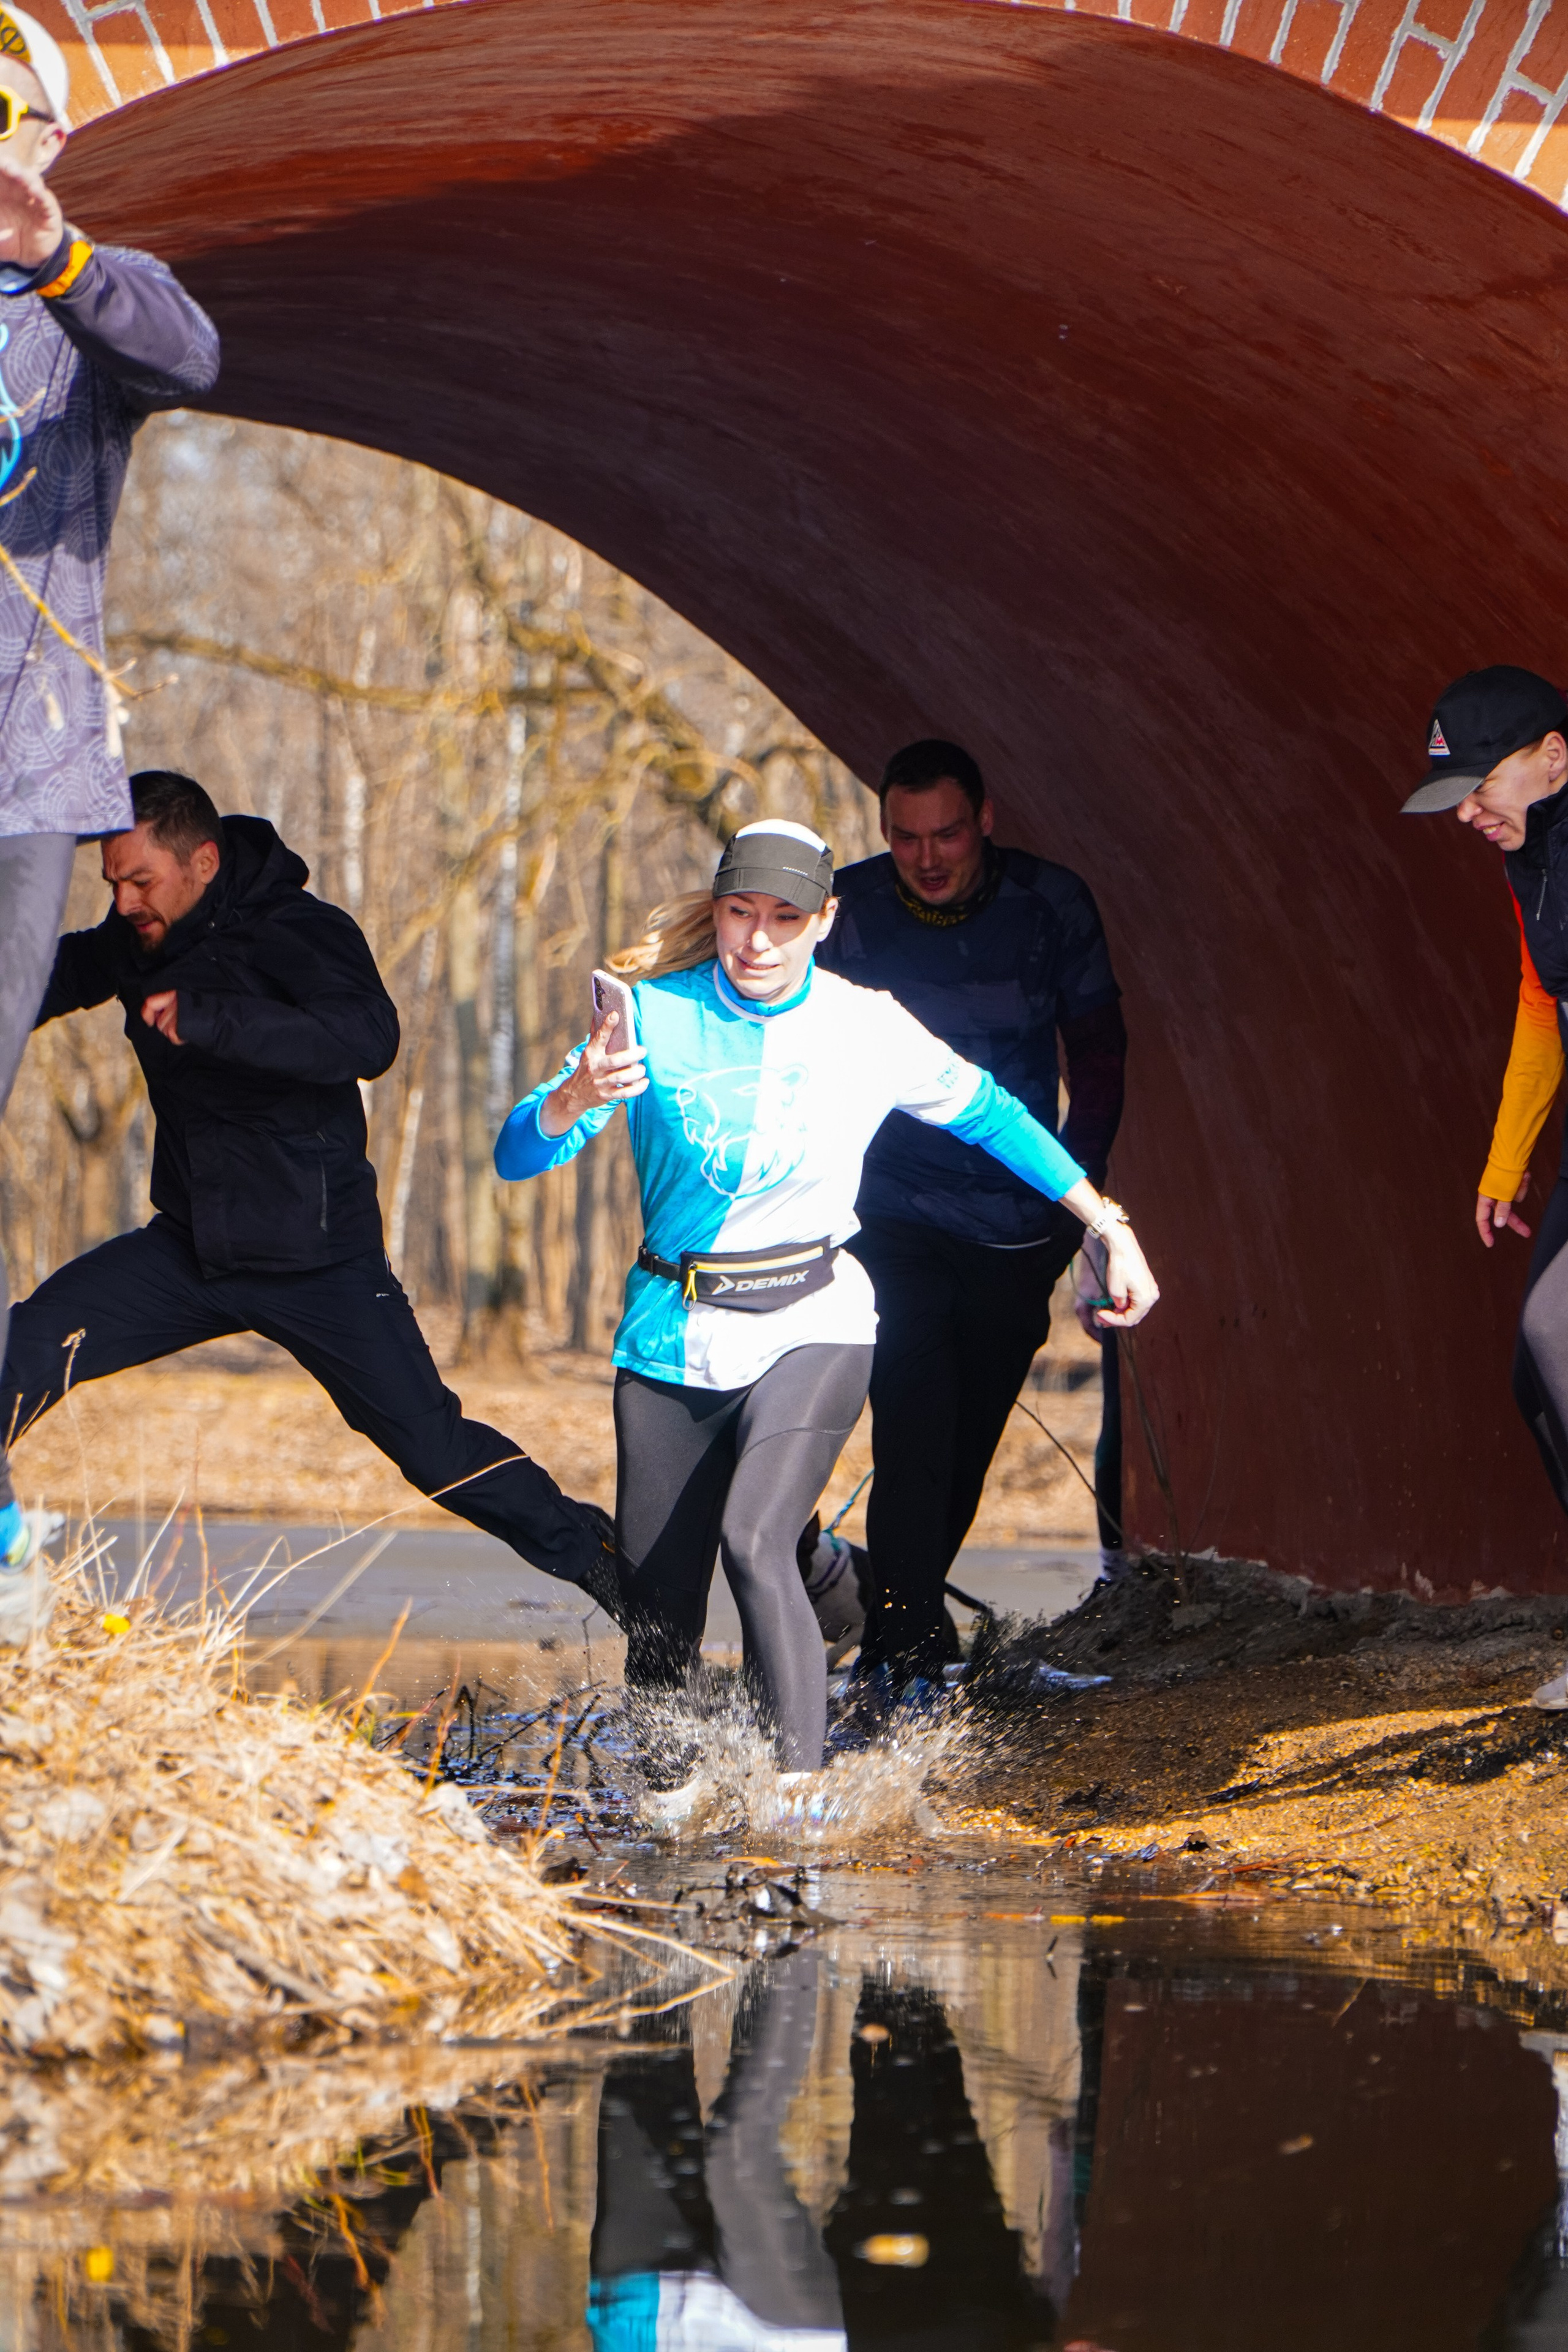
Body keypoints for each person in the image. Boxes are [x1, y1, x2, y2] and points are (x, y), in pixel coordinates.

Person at [494, 818, 1156, 1804]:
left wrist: (1107, 1223)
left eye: (783, 918)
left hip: (816, 1311)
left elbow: (996, 1115)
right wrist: (570, 1098)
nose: (757, 940)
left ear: (826, 920)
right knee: (659, 1608)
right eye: (739, 914)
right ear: (716, 911)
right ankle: (675, 1806)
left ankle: (798, 1805)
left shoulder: (867, 1024)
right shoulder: (652, 1017)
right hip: (673, 1328)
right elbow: (517, 1156)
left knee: (756, 1538)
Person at [1, 770, 620, 1608]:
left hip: (318, 1258)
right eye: (112, 882)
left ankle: (620, 1581)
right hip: (190, 1250)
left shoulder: (301, 930)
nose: (125, 899)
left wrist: (217, 1019)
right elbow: (40, 976)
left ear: (205, 862)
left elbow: (370, 1038)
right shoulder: (136, 936)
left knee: (435, 1453)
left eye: (140, 879)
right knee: (27, 1349)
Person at [0, 7, 219, 1575]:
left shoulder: (82, 310)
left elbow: (191, 354)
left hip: (19, 778)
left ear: (46, 140)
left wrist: (55, 253)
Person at [812, 739, 1128, 1691]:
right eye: (906, 837)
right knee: (910, 1415)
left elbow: (1101, 1061)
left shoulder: (1050, 905)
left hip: (1017, 1220)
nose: (929, 856)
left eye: (947, 832)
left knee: (965, 1433)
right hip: (891, 1212)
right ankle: (903, 1650)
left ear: (985, 821)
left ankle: (904, 1620)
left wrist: (1085, 1209)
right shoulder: (851, 911)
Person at [1400, 666, 1568, 1709]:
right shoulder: (1529, 860)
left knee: (1561, 1335)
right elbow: (1541, 1001)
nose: (1468, 812)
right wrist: (1505, 1164)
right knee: (1535, 1375)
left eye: (1480, 785)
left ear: (1555, 755)